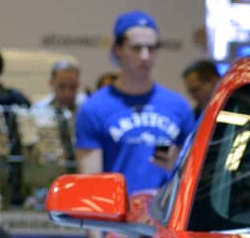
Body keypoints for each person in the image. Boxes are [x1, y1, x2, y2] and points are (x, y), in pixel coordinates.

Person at [75, 11, 193, 195]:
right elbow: (91, 185)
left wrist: (177, 167)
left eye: (151, 48)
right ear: (118, 50)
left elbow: (195, 178)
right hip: (117, 221)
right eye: (136, 48)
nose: (145, 56)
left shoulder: (178, 106)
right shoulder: (94, 108)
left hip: (166, 219)